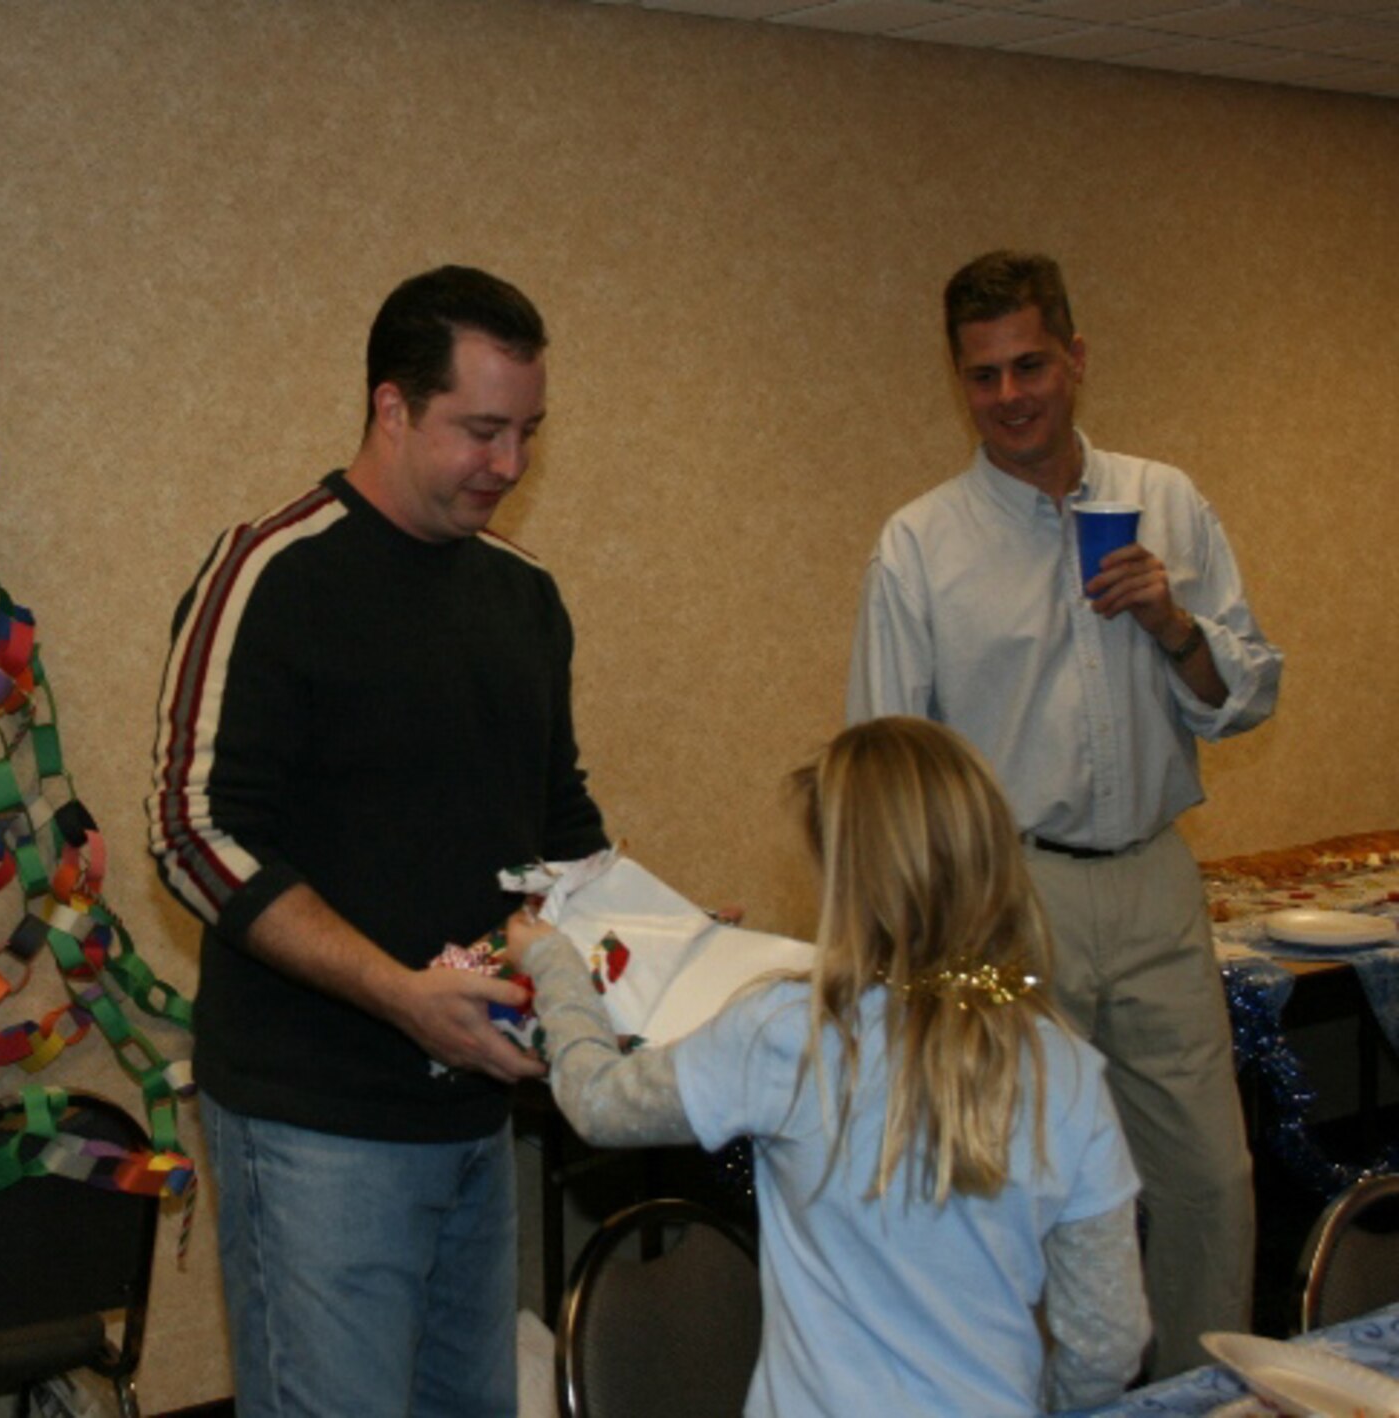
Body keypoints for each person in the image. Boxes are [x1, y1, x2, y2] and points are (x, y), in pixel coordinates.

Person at [146, 265, 607, 1418]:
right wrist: (397, 992)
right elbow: (193, 832)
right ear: (390, 406)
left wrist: (655, 931)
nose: (507, 465)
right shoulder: (270, 570)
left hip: (474, 1109)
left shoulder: (524, 598)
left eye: (526, 434)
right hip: (315, 1123)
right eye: (480, 430)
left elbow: (559, 830)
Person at [847, 250, 1283, 1376]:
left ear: (1074, 358)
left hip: (1151, 879)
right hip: (1005, 899)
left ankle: (1194, 1396)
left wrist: (1173, 624)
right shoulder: (920, 544)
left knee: (1208, 1179)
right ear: (959, 382)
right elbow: (886, 770)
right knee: (1029, 1194)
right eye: (981, 375)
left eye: (1028, 364)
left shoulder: (1164, 500)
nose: (1008, 397)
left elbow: (1246, 696)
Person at [497, 716, 1150, 1414]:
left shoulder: (790, 1034)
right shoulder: (1068, 1070)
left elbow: (598, 1102)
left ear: (852, 880)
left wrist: (555, 966)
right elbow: (1108, 1341)